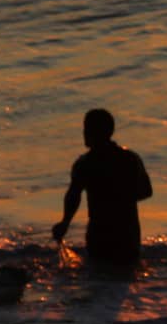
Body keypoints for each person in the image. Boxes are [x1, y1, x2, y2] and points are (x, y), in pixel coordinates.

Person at [52, 109, 153, 265]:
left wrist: (65, 223)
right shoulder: (130, 159)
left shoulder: (85, 164)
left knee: (99, 276)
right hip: (128, 233)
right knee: (127, 276)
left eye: (87, 129)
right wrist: (123, 198)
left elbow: (74, 195)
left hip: (99, 235)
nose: (84, 133)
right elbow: (146, 191)